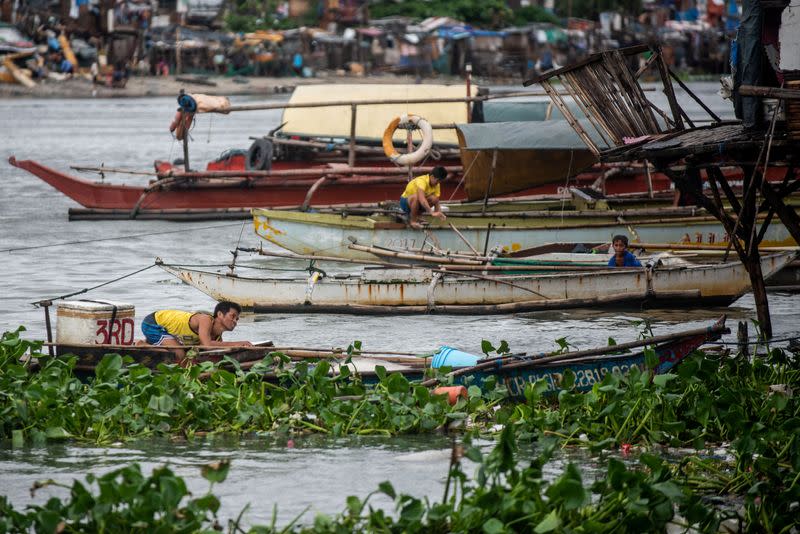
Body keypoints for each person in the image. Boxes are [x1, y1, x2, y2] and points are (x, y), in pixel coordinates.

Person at [140, 301, 253, 361]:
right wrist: (239, 343)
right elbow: (207, 345)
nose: (235, 321)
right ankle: (143, 345)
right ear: (219, 314)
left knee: (186, 353)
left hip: (168, 332)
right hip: (153, 323)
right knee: (179, 353)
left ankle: (151, 343)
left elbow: (206, 349)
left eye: (237, 319)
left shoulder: (217, 336)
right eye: (232, 316)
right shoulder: (205, 319)